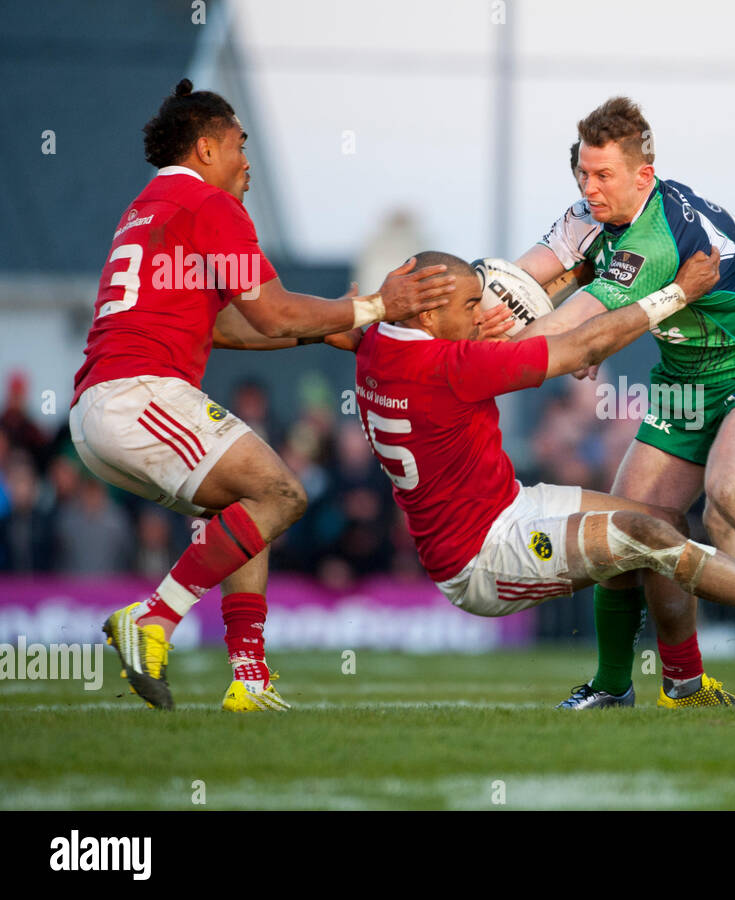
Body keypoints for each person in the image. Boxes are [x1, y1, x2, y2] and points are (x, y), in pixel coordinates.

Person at [350, 250, 735, 707]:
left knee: (662, 518)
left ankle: (682, 687)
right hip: (483, 556)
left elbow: (325, 329)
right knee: (643, 537)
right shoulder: (454, 364)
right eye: (470, 306)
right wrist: (675, 292)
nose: (480, 317)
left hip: (511, 505)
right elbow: (579, 349)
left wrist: (360, 308)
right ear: (428, 309)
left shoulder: (377, 344)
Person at [76, 80, 457, 711]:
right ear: (204, 149)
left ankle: (248, 679)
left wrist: (332, 328)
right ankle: (152, 620)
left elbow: (231, 327)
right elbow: (276, 312)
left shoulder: (149, 204)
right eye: (237, 144)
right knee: (283, 492)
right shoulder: (210, 206)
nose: (247, 161)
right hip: (137, 396)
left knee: (248, 513)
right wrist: (378, 304)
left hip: (105, 408)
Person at [512, 97, 735, 710]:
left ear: (643, 176)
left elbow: (562, 333)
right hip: (684, 382)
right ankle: (617, 686)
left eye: (604, 176)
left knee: (732, 495)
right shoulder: (586, 217)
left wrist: (461, 346)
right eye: (583, 174)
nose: (589, 188)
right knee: (628, 527)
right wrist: (478, 297)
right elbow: (522, 274)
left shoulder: (652, 240)